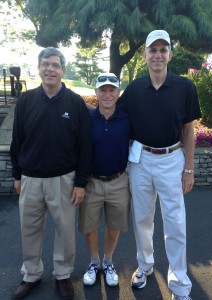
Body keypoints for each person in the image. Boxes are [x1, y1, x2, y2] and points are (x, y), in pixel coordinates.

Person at [118, 30, 201, 300]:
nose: (157, 54)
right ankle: (145, 266)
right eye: (152, 50)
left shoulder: (184, 87)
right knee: (142, 218)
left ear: (170, 55)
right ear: (144, 56)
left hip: (172, 159)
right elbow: (118, 121)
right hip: (141, 160)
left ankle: (179, 285)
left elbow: (189, 130)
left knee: (175, 223)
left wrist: (189, 169)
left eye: (163, 49)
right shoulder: (133, 90)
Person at [10, 47, 92, 300]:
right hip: (31, 179)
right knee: (29, 229)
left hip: (63, 180)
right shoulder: (26, 100)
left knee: (65, 230)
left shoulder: (76, 103)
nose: (50, 69)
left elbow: (85, 146)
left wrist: (80, 182)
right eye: (46, 64)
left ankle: (63, 275)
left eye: (55, 65)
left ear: (63, 70)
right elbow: (17, 140)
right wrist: (17, 175)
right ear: (39, 68)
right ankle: (31, 274)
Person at [78, 73, 131, 287]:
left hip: (119, 180)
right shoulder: (87, 120)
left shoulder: (127, 119)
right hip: (92, 181)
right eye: (103, 90)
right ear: (96, 93)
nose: (107, 94)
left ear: (118, 93)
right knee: (89, 225)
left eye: (112, 90)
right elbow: (80, 151)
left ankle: (108, 262)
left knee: (114, 225)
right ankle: (94, 262)